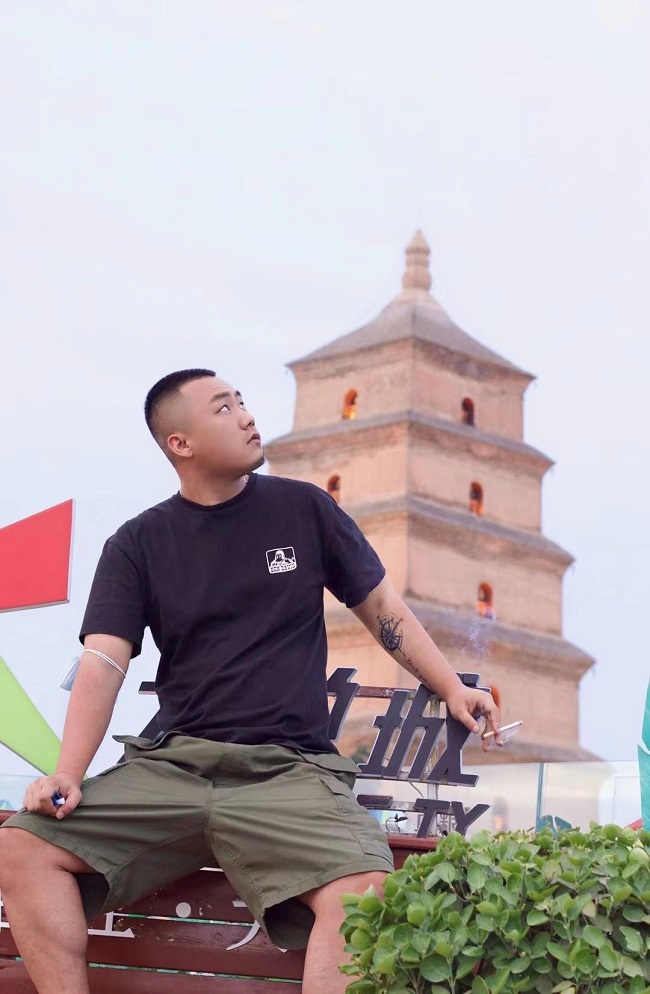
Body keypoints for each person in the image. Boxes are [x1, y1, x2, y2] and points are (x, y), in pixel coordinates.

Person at [0, 368, 501, 994]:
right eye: (223, 407)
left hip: (288, 772)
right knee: (22, 847)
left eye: (241, 401)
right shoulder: (136, 543)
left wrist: (451, 687)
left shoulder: (305, 510)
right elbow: (104, 662)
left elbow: (381, 608)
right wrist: (68, 773)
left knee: (365, 890)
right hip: (173, 768)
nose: (246, 415)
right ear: (180, 443)